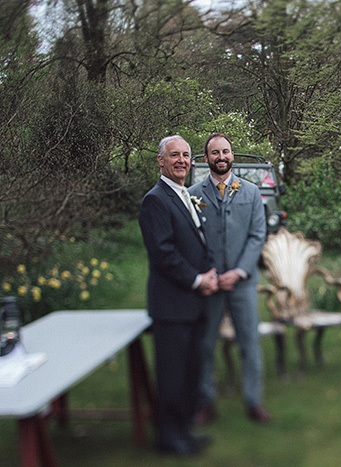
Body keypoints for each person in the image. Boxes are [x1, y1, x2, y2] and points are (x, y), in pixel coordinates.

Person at [138, 135, 219, 456]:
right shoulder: (155, 200)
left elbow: (198, 242)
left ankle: (184, 430)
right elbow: (163, 252)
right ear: (161, 161)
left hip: (193, 304)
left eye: (186, 155)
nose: (182, 160)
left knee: (190, 372)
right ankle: (168, 438)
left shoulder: (184, 195)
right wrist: (198, 280)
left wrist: (209, 271)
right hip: (172, 306)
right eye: (175, 155)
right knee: (172, 376)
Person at [189, 133, 271, 424]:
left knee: (249, 343)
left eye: (225, 151)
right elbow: (192, 239)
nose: (221, 157)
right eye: (215, 152)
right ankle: (205, 402)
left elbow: (258, 235)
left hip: (242, 283)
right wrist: (209, 274)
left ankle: (253, 402)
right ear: (206, 158)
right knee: (204, 344)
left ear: (232, 155)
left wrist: (239, 272)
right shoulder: (194, 194)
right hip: (211, 285)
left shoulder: (250, 192)